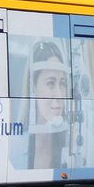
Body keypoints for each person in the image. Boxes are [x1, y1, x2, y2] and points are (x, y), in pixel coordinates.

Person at [26, 39, 70, 169]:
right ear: (33, 87)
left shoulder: (70, 146)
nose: (60, 94)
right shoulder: (15, 150)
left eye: (62, 83)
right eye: (51, 83)